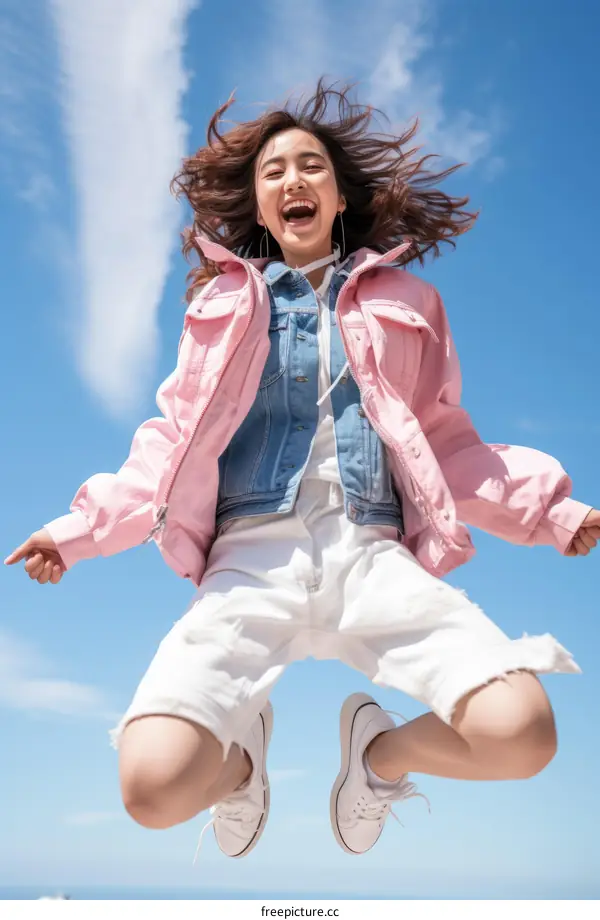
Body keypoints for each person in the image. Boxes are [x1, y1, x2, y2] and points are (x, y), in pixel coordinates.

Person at [6, 81, 599, 860]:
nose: (294, 180)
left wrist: (552, 510)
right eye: (274, 170)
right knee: (151, 790)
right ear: (258, 207)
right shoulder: (219, 308)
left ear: (338, 194)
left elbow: (446, 441)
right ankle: (242, 766)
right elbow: (171, 443)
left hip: (372, 557)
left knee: (521, 734)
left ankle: (377, 758)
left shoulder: (408, 300)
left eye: (311, 166)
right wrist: (77, 533)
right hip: (250, 565)